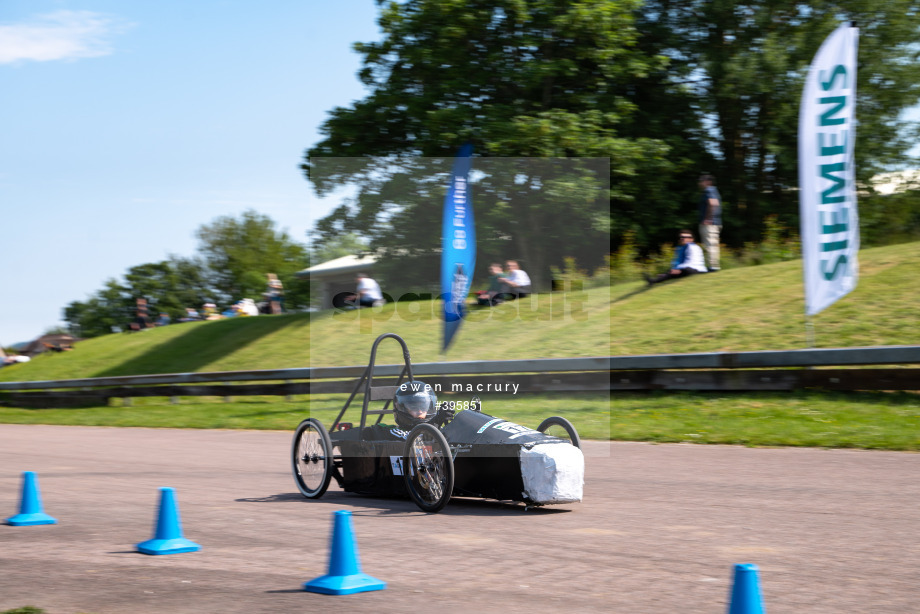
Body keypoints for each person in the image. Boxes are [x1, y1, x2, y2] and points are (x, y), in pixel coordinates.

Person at [644, 230, 708, 285]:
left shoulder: (692, 247)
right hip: (690, 269)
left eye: (685, 237)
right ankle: (661, 277)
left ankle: (655, 280)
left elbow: (692, 263)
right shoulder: (683, 248)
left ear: (691, 239)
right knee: (672, 271)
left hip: (696, 270)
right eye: (681, 237)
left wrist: (678, 269)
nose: (682, 238)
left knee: (678, 271)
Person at [698, 174, 723, 271]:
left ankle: (713, 267)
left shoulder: (709, 190)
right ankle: (713, 266)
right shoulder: (714, 191)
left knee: (710, 245)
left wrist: (708, 219)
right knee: (711, 245)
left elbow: (713, 203)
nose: (699, 183)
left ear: (708, 182)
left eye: (701, 181)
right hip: (715, 222)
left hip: (710, 224)